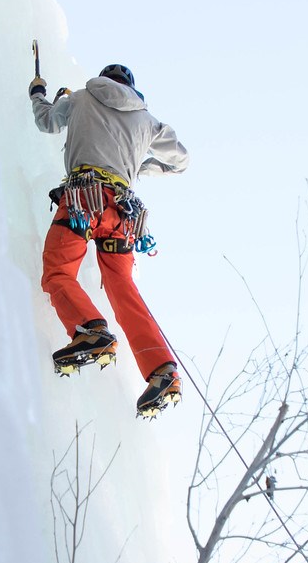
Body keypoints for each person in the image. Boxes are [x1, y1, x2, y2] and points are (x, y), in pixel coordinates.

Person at [29, 61, 189, 418]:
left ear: (104, 79)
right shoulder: (149, 122)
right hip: (122, 213)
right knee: (123, 288)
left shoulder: (82, 97)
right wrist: (138, 166)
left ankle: (90, 330)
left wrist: (39, 93)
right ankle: (163, 370)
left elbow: (47, 121)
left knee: (57, 271)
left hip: (84, 200)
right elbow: (181, 161)